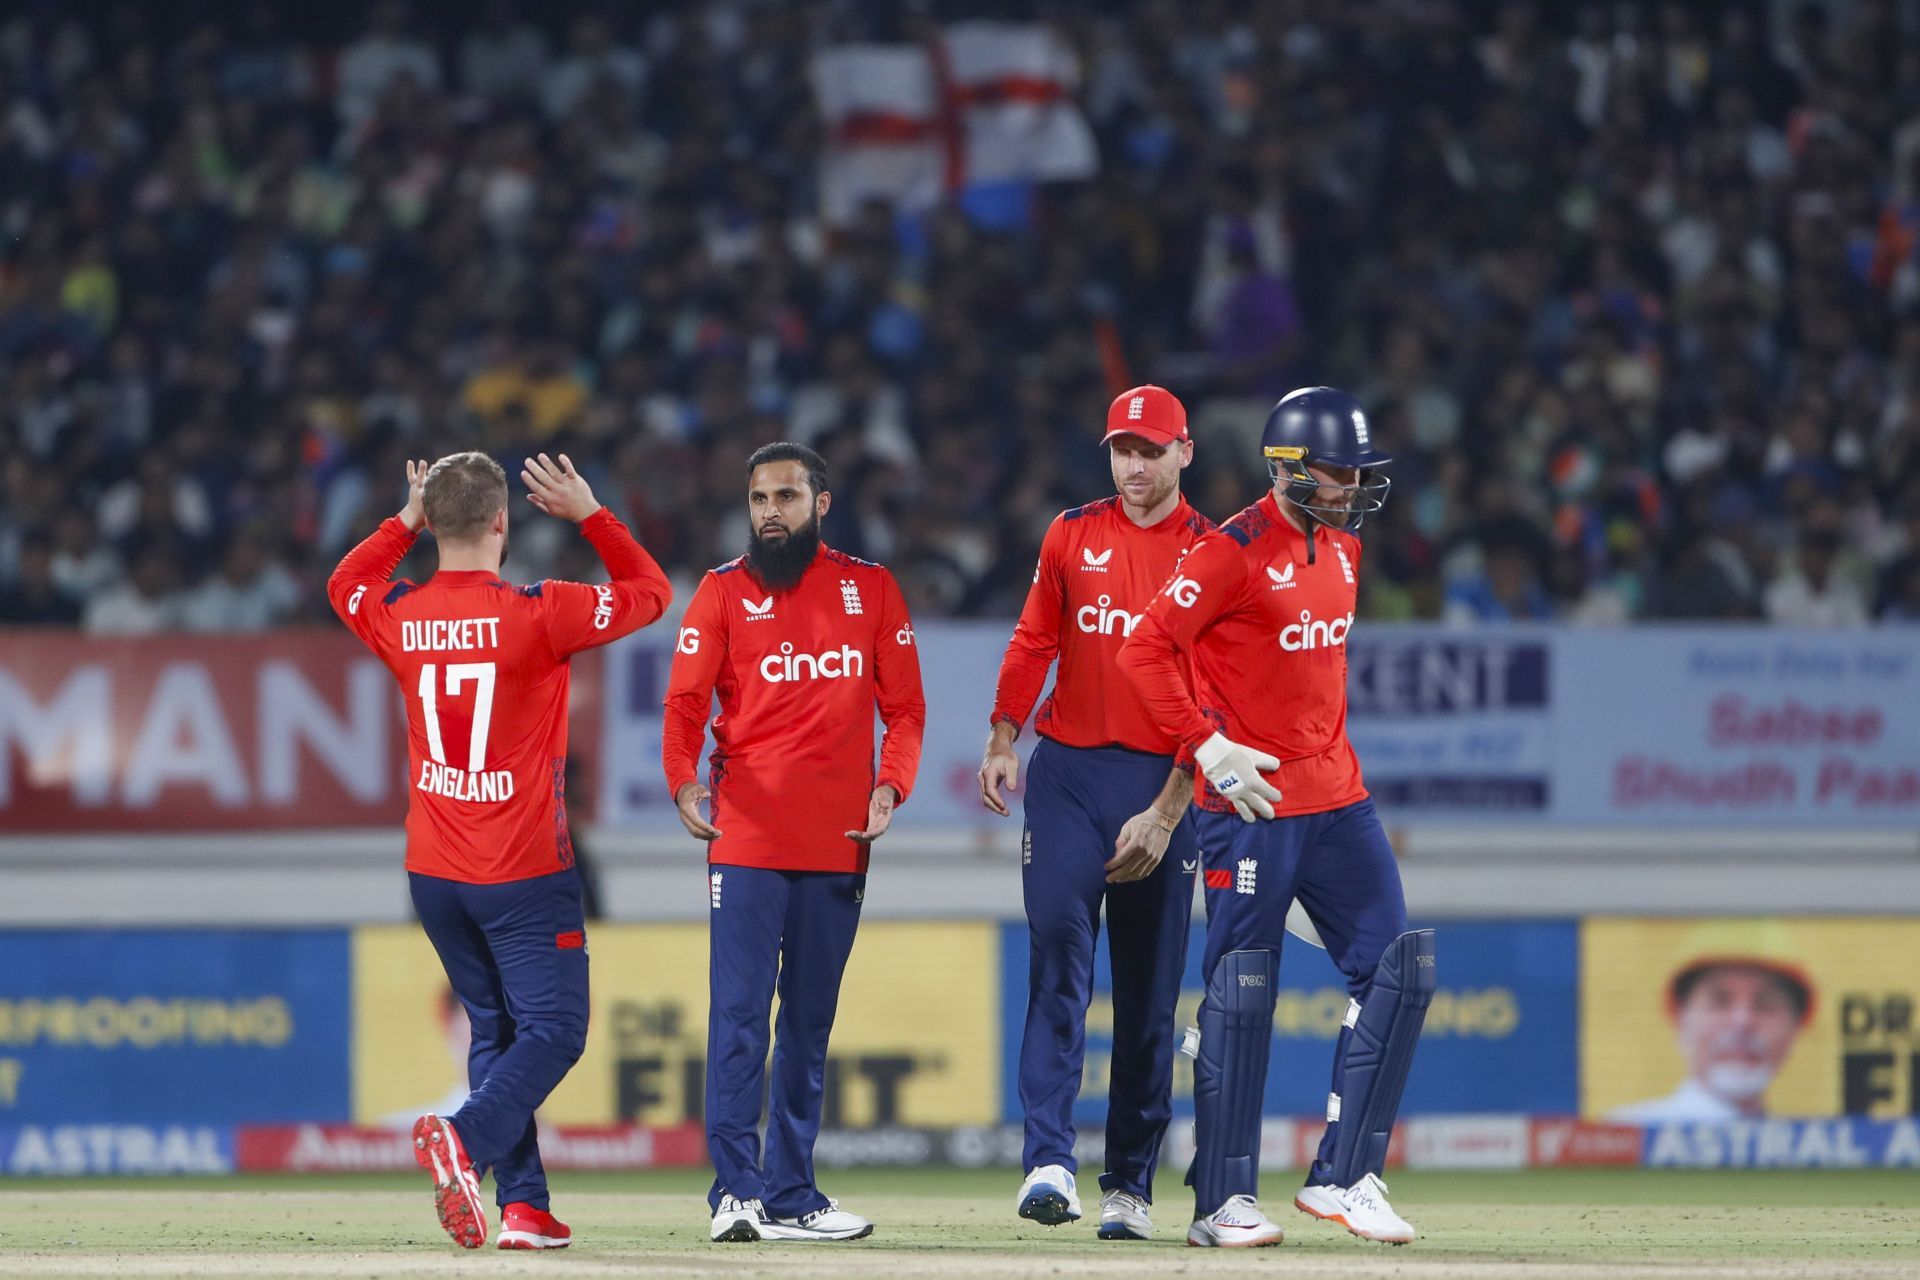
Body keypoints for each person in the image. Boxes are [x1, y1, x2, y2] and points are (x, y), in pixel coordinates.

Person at [1117, 387, 1436, 1247]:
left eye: (1361, 471)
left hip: (1339, 798)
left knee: (1402, 970)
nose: (1354, 486)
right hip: (1249, 803)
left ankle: (1345, 1177)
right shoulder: (1231, 550)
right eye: (1340, 472)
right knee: (1243, 989)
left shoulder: (1345, 549)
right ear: (1290, 469)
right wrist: (1205, 746)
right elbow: (1142, 648)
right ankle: (1221, 1202)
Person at [329, 452, 671, 1250]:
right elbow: (651, 593)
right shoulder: (539, 610)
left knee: (495, 1033)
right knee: (556, 1031)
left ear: (434, 526)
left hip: (434, 875)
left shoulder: (400, 612)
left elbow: (344, 580)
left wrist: (403, 518)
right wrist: (591, 512)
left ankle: (524, 1207)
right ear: (502, 522)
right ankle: (466, 1140)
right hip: (522, 869)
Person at [663, 441, 925, 1245]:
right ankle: (735, 1193)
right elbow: (682, 709)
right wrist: (683, 783)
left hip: (840, 839)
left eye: (784, 496)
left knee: (809, 1024)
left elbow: (906, 710)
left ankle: (792, 1193)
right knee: (740, 1017)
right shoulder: (720, 593)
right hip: (743, 837)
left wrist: (891, 786)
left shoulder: (871, 590)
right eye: (757, 499)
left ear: (822, 503)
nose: (769, 511)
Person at [978, 385, 1214, 1241]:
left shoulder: (1212, 555)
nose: (1134, 466)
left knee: (1149, 1003)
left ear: (1185, 453)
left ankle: (1128, 1184)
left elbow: (1217, 699)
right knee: (1058, 967)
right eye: (1123, 449)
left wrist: (1167, 810)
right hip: (1070, 775)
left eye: (1151, 450)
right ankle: (1048, 1160)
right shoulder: (1071, 533)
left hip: (1163, 783)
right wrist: (1005, 734)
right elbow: (1035, 636)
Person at [1608, 955, 1814, 1124]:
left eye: (1765, 1005)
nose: (1742, 1023)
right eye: (1719, 1002)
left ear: (1794, 1029)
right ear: (1680, 1019)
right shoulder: (1627, 1131)